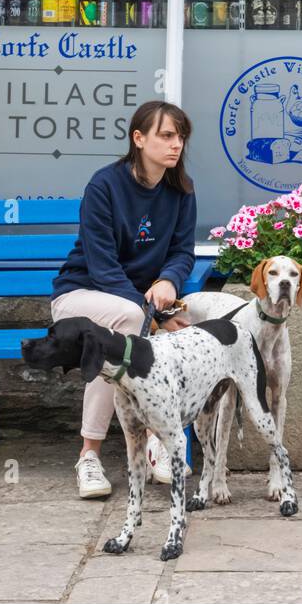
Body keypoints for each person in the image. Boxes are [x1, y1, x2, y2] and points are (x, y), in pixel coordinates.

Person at [50, 100, 196, 498]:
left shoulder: (180, 190)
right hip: (80, 296)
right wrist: (153, 316)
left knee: (192, 331)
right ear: (139, 138)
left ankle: (160, 442)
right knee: (123, 326)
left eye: (180, 137)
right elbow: (102, 268)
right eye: (166, 135)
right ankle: (94, 455)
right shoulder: (104, 186)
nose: (176, 144)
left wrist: (169, 279)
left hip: (137, 304)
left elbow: (183, 252)